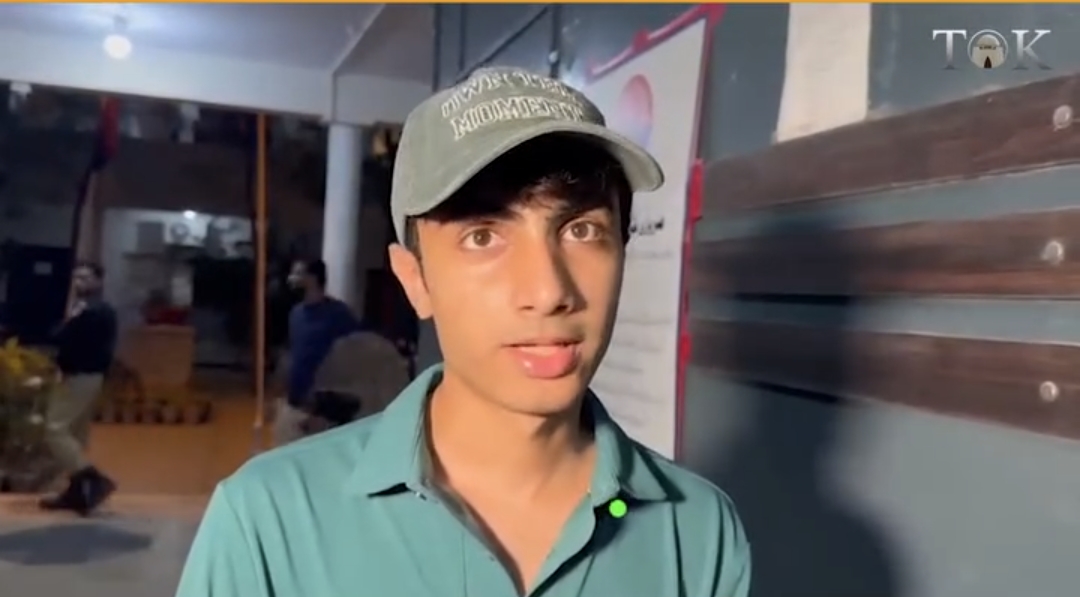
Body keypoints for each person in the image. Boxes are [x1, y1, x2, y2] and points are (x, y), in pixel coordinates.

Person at [176, 66, 750, 597]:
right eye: (483, 236)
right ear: (415, 279)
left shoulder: (697, 531)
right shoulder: (270, 522)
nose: (548, 290)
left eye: (580, 230)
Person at [39, 261, 118, 516]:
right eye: (77, 278)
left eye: (85, 278)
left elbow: (63, 337)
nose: (79, 283)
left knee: (55, 429)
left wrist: (69, 324)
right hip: (91, 376)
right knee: (76, 433)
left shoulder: (91, 311)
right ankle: (77, 493)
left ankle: (90, 477)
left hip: (78, 376)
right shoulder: (96, 309)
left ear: (98, 281)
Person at [274, 258, 363, 444]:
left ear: (313, 279)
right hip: (295, 404)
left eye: (298, 274)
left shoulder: (338, 314)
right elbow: (292, 353)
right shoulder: (296, 314)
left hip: (324, 410)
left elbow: (355, 355)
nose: (291, 279)